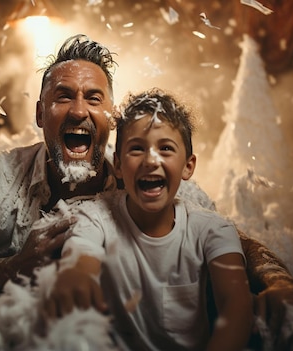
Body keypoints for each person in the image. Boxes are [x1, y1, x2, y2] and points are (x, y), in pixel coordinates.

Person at [0, 33, 293, 338]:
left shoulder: (144, 178)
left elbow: (237, 244)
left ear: (111, 119)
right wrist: (5, 269)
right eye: (63, 97)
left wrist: (279, 283)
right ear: (41, 115)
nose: (79, 110)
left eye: (94, 98)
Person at [44, 88, 253, 350]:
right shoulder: (95, 217)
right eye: (137, 149)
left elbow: (236, 308)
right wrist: (77, 276)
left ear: (188, 166)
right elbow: (80, 260)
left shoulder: (212, 229)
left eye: (165, 148)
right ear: (118, 165)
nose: (151, 160)